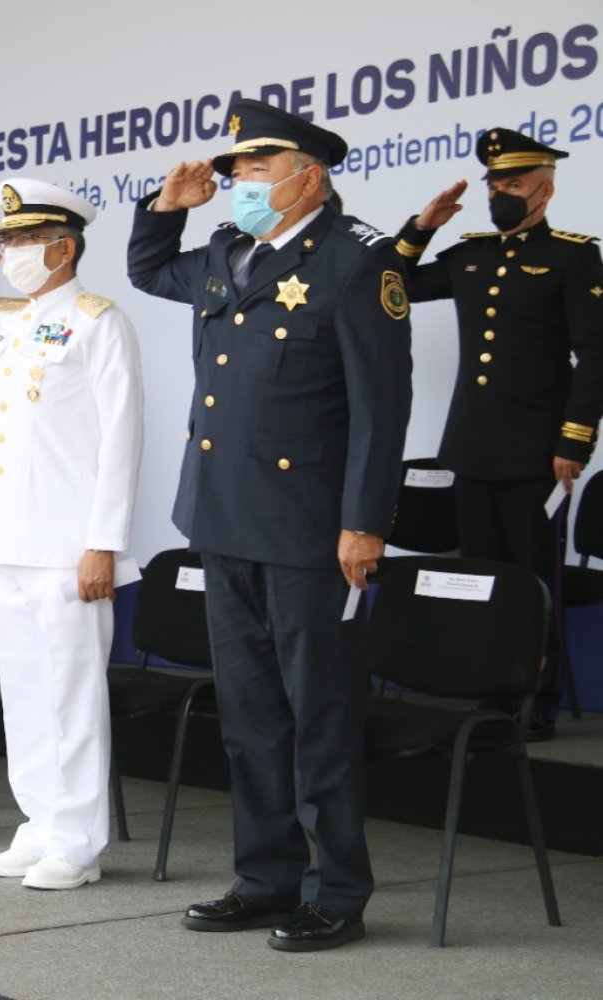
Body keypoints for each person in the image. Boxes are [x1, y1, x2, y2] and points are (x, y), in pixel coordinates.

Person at [128, 99, 412, 950]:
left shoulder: (359, 265)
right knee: (250, 715)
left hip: (308, 530)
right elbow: (149, 270)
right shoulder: (225, 252)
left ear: (307, 175)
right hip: (223, 516)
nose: (237, 184)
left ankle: (338, 891)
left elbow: (381, 408)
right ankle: (265, 878)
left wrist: (365, 523)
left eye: (252, 170)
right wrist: (163, 209)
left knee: (317, 714)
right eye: (236, 172)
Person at [0, 179, 145, 889]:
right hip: (2, 536)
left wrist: (103, 541)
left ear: (63, 247)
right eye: (6, 239)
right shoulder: (4, 318)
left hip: (67, 543)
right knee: (23, 689)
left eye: (21, 241)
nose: (9, 251)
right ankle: (39, 823)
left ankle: (77, 841)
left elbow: (121, 438)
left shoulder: (100, 321)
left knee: (71, 695)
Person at [389, 129, 603, 741]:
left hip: (538, 449)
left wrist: (575, 439)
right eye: (493, 184)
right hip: (473, 448)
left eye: (511, 183)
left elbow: (595, 354)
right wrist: (423, 225)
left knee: (533, 579)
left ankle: (537, 697)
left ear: (544, 186)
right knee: (482, 574)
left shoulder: (572, 254)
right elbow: (393, 286)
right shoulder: (469, 254)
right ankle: (488, 689)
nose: (499, 193)